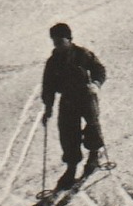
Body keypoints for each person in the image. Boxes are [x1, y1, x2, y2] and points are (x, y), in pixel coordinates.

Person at [42, 22, 108, 188]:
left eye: (60, 40)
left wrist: (96, 84)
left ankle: (94, 155)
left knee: (92, 126)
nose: (57, 43)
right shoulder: (52, 61)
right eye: (54, 40)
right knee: (68, 133)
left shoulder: (82, 54)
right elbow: (48, 85)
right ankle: (71, 167)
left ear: (69, 39)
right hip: (67, 99)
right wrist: (48, 107)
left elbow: (99, 69)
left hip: (86, 96)